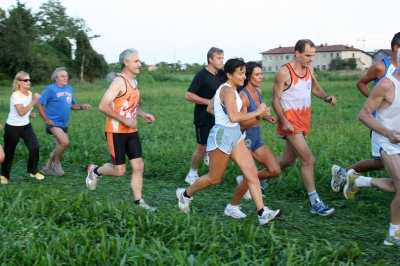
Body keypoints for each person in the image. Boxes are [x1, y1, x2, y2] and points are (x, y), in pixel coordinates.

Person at [176, 58, 281, 225]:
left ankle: (262, 213)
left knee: (251, 172)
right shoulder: (227, 90)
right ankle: (185, 194)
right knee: (214, 178)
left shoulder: (230, 89)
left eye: (244, 73)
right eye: (240, 73)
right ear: (229, 74)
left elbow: (211, 108)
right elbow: (234, 117)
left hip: (235, 135)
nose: (243, 76)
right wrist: (257, 114)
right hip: (222, 136)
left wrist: (223, 114)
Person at [272, 39, 337, 216]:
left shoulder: (309, 69)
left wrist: (325, 97)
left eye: (313, 56)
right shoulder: (283, 73)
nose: (311, 59)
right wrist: (284, 121)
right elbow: (275, 100)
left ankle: (254, 176)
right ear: (297, 53)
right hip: (290, 123)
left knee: (288, 160)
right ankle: (315, 202)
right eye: (308, 55)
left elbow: (314, 88)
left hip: (303, 120)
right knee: (308, 159)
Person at [85, 48, 156, 211]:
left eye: (139, 61)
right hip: (115, 131)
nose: (140, 64)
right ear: (126, 63)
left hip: (131, 131)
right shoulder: (119, 81)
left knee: (138, 165)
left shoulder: (134, 82)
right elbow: (102, 106)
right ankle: (95, 171)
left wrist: (142, 114)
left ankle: (139, 202)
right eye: (136, 61)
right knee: (119, 171)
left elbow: (128, 106)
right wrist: (124, 120)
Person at [331, 32, 400, 193]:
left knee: (382, 164)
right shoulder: (381, 67)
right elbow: (361, 83)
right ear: (397, 48)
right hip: (381, 123)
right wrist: (375, 101)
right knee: (381, 163)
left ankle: (352, 178)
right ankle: (345, 174)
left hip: (395, 122)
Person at [226, 61, 281, 218]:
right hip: (245, 140)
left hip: (257, 138)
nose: (261, 77)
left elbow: (257, 114)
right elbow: (241, 123)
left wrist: (266, 117)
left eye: (261, 74)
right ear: (249, 76)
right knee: (251, 176)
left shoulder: (259, 92)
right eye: (257, 74)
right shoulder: (243, 96)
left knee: (274, 169)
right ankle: (232, 206)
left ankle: (243, 180)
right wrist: (259, 115)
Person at [356, 50, 400, 246]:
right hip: (387, 143)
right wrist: (388, 133)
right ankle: (393, 234)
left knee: (396, 186)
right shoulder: (386, 85)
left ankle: (359, 181)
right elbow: (364, 114)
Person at [37, 67, 91, 176]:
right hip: (53, 123)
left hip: (64, 123)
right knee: (65, 142)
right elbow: (39, 104)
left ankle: (46, 168)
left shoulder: (69, 89)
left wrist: (81, 106)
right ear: (56, 78)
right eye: (62, 76)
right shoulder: (50, 89)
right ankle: (56, 163)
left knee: (59, 146)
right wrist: (46, 119)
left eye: (66, 76)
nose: (65, 78)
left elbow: (72, 105)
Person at [184, 47, 224, 185]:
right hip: (203, 117)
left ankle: (213, 173)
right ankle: (192, 173)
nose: (221, 61)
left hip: (218, 117)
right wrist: (208, 102)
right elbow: (188, 95)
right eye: (218, 58)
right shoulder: (202, 75)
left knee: (218, 144)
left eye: (222, 58)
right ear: (210, 59)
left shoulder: (221, 75)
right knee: (202, 146)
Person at [0, 71, 41, 184]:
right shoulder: (16, 95)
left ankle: (33, 170)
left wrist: (30, 114)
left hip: (26, 126)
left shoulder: (30, 93)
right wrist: (34, 102)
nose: (29, 82)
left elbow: (25, 111)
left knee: (35, 147)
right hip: (13, 127)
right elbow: (21, 112)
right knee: (9, 152)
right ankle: (4, 175)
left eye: (29, 80)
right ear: (19, 82)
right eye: (25, 80)